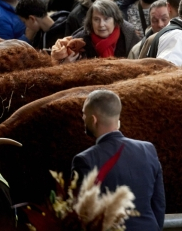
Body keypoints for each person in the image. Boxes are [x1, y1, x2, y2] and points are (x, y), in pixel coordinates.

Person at [71, 90, 165, 230]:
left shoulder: (84, 160)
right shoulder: (148, 149)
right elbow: (158, 203)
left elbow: (81, 217)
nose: (83, 118)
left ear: (93, 119)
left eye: (84, 114)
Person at [67, 0, 140, 60]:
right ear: (91, 21)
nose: (101, 25)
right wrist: (66, 63)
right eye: (96, 19)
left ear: (115, 20)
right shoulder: (78, 41)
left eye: (106, 19)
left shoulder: (129, 37)